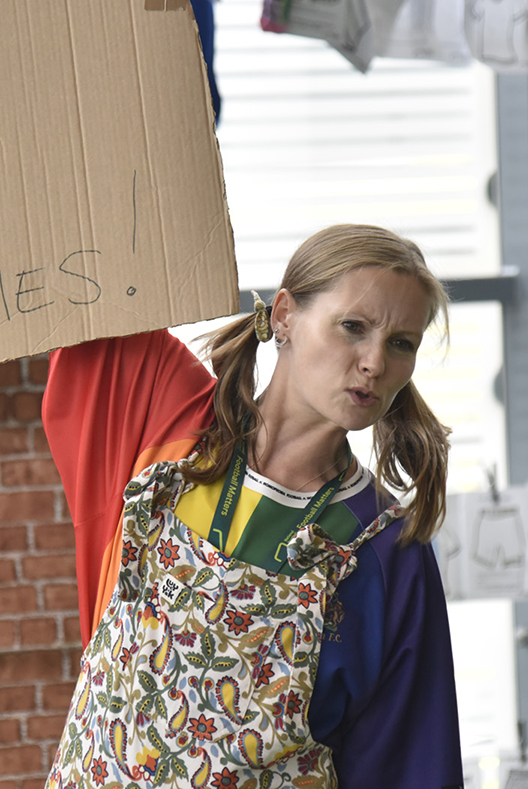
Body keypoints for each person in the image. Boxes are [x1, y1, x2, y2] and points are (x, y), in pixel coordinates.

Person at [43, 224, 464, 789]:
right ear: (285, 316)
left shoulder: (387, 551)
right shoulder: (166, 421)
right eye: (353, 328)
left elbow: (409, 765)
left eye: (400, 343)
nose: (373, 363)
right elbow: (88, 239)